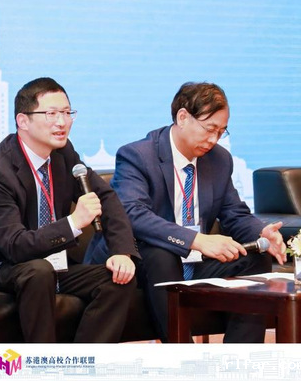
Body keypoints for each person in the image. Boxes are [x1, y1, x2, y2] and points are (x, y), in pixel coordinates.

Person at [0, 77, 140, 343]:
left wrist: (121, 252)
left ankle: (86, 361)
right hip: (0, 266)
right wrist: (73, 223)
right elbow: (14, 246)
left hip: (53, 264)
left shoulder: (63, 154)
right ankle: (44, 361)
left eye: (67, 113)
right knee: (38, 271)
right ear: (23, 121)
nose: (62, 122)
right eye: (52, 114)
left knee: (118, 280)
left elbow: (105, 197)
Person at [108, 81, 286, 343]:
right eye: (209, 129)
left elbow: (234, 213)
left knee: (256, 259)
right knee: (161, 254)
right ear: (183, 117)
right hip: (148, 262)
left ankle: (239, 359)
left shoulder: (219, 159)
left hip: (195, 263)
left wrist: (261, 233)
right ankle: (185, 357)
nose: (214, 139)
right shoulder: (138, 155)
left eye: (221, 132)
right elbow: (133, 214)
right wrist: (196, 240)